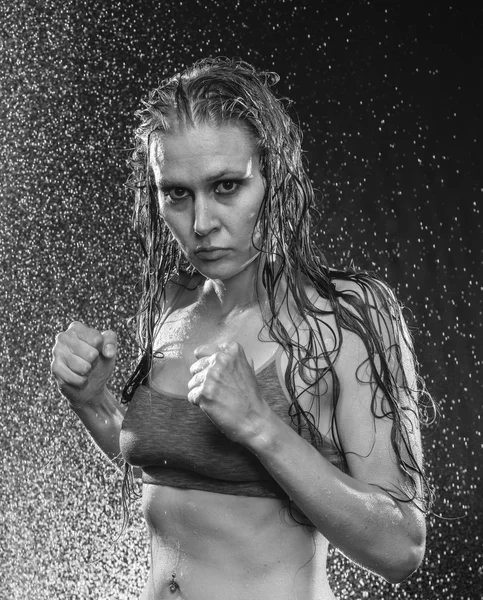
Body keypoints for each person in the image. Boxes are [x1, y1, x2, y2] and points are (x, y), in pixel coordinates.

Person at [51, 58, 434, 600]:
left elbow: (401, 547)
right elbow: (179, 467)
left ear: (273, 177)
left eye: (227, 186)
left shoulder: (343, 317)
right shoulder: (175, 303)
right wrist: (94, 402)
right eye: (176, 193)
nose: (202, 223)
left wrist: (260, 425)